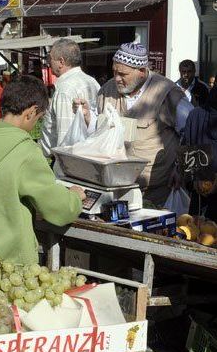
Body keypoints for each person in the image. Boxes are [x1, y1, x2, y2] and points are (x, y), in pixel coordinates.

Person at [0, 76, 85, 264]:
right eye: (39, 118)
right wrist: (75, 197)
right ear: (31, 112)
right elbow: (59, 209)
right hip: (11, 263)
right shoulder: (25, 151)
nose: (36, 123)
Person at [78, 42, 194, 206]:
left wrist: (181, 169)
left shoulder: (167, 93)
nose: (117, 78)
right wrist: (88, 117)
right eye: (114, 72)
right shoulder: (106, 91)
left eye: (123, 74)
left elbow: (192, 130)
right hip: (114, 189)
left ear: (141, 71)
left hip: (156, 191)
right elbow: (98, 132)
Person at [40, 38, 100, 157]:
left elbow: (65, 137)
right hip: (89, 154)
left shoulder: (65, 89)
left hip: (70, 161)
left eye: (50, 59)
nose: (48, 63)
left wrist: (63, 167)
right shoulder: (92, 82)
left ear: (61, 62)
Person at [182, 87, 217, 221]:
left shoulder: (196, 115)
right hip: (201, 209)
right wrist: (195, 180)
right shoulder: (196, 115)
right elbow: (188, 163)